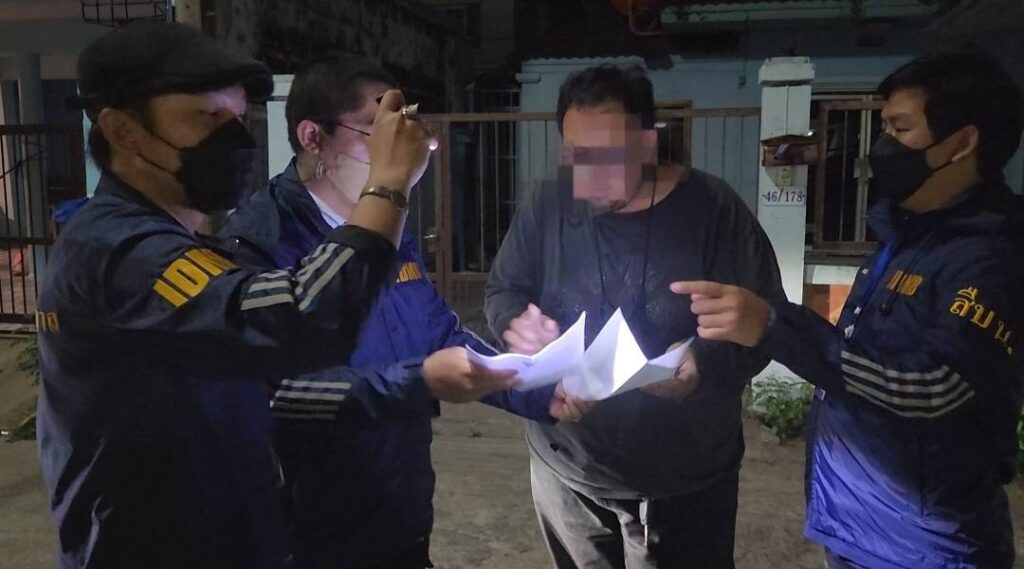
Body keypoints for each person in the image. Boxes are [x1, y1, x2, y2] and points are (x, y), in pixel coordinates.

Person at [36, 22, 509, 569]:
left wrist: (486, 377)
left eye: (238, 119)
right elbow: (302, 321)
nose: (235, 139)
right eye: (206, 117)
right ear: (123, 131)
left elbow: (260, 386)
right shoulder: (120, 252)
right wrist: (388, 185)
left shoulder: (172, 243)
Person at [219, 54, 589, 569]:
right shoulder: (259, 242)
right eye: (378, 132)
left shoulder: (384, 220)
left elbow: (435, 331)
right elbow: (278, 394)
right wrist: (419, 382)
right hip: (309, 533)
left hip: (400, 512)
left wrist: (536, 384)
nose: (403, 152)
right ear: (312, 137)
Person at [672, 50, 1024, 569]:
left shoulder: (989, 257)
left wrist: (774, 325)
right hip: (858, 523)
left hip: (924, 545)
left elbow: (933, 385)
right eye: (882, 128)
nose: (881, 147)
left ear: (962, 143)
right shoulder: (908, 235)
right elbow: (864, 360)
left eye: (900, 129)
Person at [484, 64, 785, 568]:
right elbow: (503, 289)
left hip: (684, 477)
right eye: (575, 155)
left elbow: (764, 321)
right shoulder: (548, 204)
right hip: (566, 469)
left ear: (647, 145)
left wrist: (702, 362)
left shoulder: (714, 211)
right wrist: (516, 324)